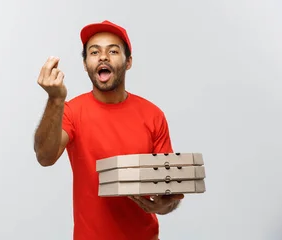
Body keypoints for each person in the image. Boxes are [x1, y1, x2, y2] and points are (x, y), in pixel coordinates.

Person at [33, 20, 184, 240]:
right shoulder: (70, 111)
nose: (103, 57)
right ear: (85, 64)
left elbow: (170, 191)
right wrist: (55, 99)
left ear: (128, 61)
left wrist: (162, 206)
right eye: (94, 52)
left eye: (113, 51)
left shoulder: (153, 115)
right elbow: (45, 157)